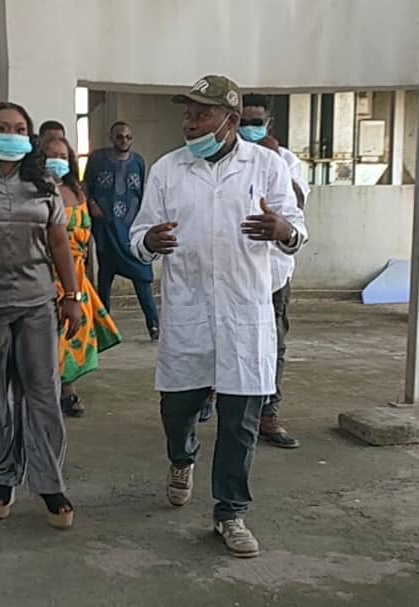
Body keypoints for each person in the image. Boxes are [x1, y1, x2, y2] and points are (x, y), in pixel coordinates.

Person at [130, 75, 306, 559]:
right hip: (188, 312)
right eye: (187, 113)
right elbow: (139, 234)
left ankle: (230, 511)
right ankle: (181, 457)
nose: (189, 122)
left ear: (230, 119)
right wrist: (149, 243)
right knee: (177, 408)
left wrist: (281, 229)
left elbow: (298, 230)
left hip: (245, 313)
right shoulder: (167, 170)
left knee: (240, 422)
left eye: (200, 114)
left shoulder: (267, 166)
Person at [0, 102, 84, 530]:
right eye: (2, 127)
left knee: (42, 393)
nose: (11, 134)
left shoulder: (44, 182)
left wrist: (71, 295)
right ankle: (2, 477)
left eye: (19, 128)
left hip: (37, 302)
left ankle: (50, 482)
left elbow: (58, 244)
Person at [238, 93, 311, 449]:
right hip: (236, 270)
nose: (248, 129)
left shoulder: (288, 161)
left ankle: (269, 414)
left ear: (269, 124)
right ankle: (210, 397)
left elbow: (297, 206)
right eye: (243, 122)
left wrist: (274, 159)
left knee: (274, 343)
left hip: (275, 273)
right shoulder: (227, 160)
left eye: (256, 122)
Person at [44, 136, 122, 418]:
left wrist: (86, 276)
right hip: (49, 276)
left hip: (78, 275)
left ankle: (67, 386)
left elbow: (85, 240)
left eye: (63, 156)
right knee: (52, 337)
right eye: (51, 154)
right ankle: (57, 390)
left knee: (74, 333)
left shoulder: (76, 193)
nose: (57, 160)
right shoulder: (37, 193)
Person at [85, 121, 160, 340]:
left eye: (128, 137)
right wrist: (91, 204)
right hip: (106, 228)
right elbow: (87, 184)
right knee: (105, 278)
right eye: (119, 137)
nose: (124, 141)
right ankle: (102, 325)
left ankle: (153, 325)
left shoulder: (138, 161)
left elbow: (140, 192)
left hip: (130, 229)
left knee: (142, 275)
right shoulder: (98, 159)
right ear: (112, 138)